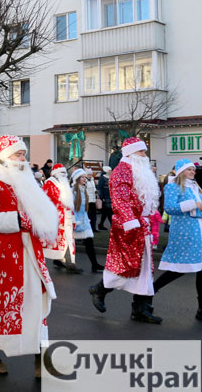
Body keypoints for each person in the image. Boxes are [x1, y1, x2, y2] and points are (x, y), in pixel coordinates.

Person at [0, 135, 58, 377]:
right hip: (3, 257)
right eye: (18, 154)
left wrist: (43, 221)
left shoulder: (26, 180)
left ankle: (42, 359)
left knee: (35, 304)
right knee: (1, 308)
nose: (23, 159)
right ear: (4, 156)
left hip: (30, 254)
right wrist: (21, 220)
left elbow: (38, 209)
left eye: (24, 154)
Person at [89, 137, 162, 324]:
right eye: (141, 152)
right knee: (125, 265)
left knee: (144, 268)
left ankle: (140, 309)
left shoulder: (138, 170)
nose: (145, 156)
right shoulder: (122, 170)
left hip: (141, 225)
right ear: (131, 153)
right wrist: (131, 222)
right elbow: (120, 198)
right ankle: (100, 288)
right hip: (129, 226)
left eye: (145, 151)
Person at [153, 159, 202, 321]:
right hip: (185, 232)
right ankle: (148, 294)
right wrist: (194, 204)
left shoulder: (195, 186)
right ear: (180, 171)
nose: (193, 172)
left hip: (198, 231)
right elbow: (169, 208)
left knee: (201, 270)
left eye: (193, 170)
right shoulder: (172, 186)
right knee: (178, 270)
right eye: (189, 170)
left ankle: (201, 309)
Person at [42, 164, 82, 274]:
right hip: (57, 218)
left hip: (66, 217)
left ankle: (60, 260)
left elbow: (68, 202)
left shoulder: (63, 183)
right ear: (56, 173)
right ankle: (70, 264)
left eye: (65, 173)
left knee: (67, 240)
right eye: (62, 173)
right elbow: (47, 200)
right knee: (64, 241)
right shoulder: (50, 183)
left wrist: (72, 216)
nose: (64, 175)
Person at [72, 170, 104, 273]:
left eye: (85, 177)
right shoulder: (73, 191)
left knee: (89, 242)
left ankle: (94, 264)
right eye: (82, 177)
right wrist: (75, 221)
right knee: (69, 243)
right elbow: (71, 208)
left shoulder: (83, 190)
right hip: (75, 222)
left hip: (84, 222)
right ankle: (61, 261)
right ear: (77, 179)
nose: (84, 179)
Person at [97, 166, 112, 230]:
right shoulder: (102, 178)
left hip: (110, 195)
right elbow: (100, 188)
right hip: (105, 196)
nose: (110, 171)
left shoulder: (111, 177)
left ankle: (101, 224)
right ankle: (112, 224)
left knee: (106, 212)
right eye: (109, 170)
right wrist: (102, 197)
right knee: (109, 210)